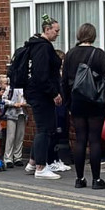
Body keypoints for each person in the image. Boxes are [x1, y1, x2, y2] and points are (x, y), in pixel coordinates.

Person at [60, 23, 105, 189]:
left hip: (77, 102)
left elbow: (64, 82)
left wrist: (68, 102)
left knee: (80, 139)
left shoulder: (69, 54)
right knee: (95, 140)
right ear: (93, 36)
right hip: (95, 102)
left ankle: (79, 179)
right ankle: (96, 180)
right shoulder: (98, 54)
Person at [22, 16, 64, 180]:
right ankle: (40, 167)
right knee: (44, 129)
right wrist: (54, 93)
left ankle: (32, 162)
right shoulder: (43, 47)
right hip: (41, 94)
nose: (57, 34)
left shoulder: (38, 45)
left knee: (44, 128)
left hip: (37, 93)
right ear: (47, 30)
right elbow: (41, 75)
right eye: (56, 30)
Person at [2, 77, 26, 167]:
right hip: (11, 113)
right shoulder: (10, 88)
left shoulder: (25, 88)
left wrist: (25, 103)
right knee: (10, 136)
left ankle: (18, 157)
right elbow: (3, 100)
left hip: (22, 113)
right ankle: (8, 158)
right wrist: (13, 104)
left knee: (20, 136)